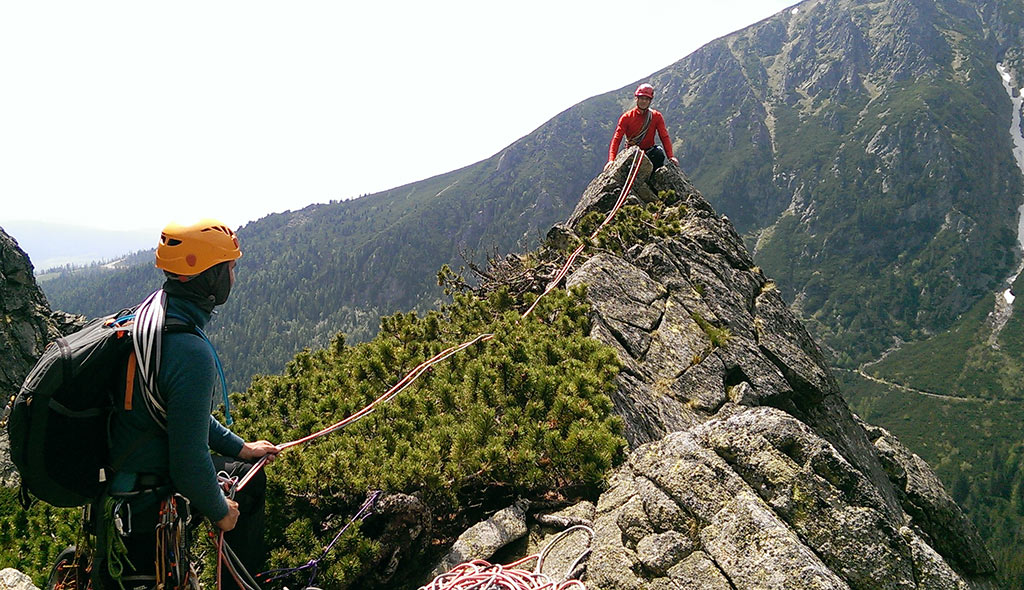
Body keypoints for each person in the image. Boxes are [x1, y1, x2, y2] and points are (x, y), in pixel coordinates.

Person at [103, 219, 279, 590]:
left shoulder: (149, 315)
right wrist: (220, 511)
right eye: (230, 267)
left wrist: (240, 448)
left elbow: (182, 414)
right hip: (148, 491)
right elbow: (187, 461)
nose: (234, 276)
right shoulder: (189, 349)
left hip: (122, 479)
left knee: (244, 466)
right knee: (250, 486)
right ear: (210, 276)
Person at [605, 83, 679, 171]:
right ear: (637, 98)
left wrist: (671, 156)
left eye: (647, 99)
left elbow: (664, 137)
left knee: (659, 154)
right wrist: (611, 160)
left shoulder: (656, 116)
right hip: (633, 153)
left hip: (650, 152)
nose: (644, 101)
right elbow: (617, 139)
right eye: (642, 98)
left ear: (650, 101)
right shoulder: (626, 117)